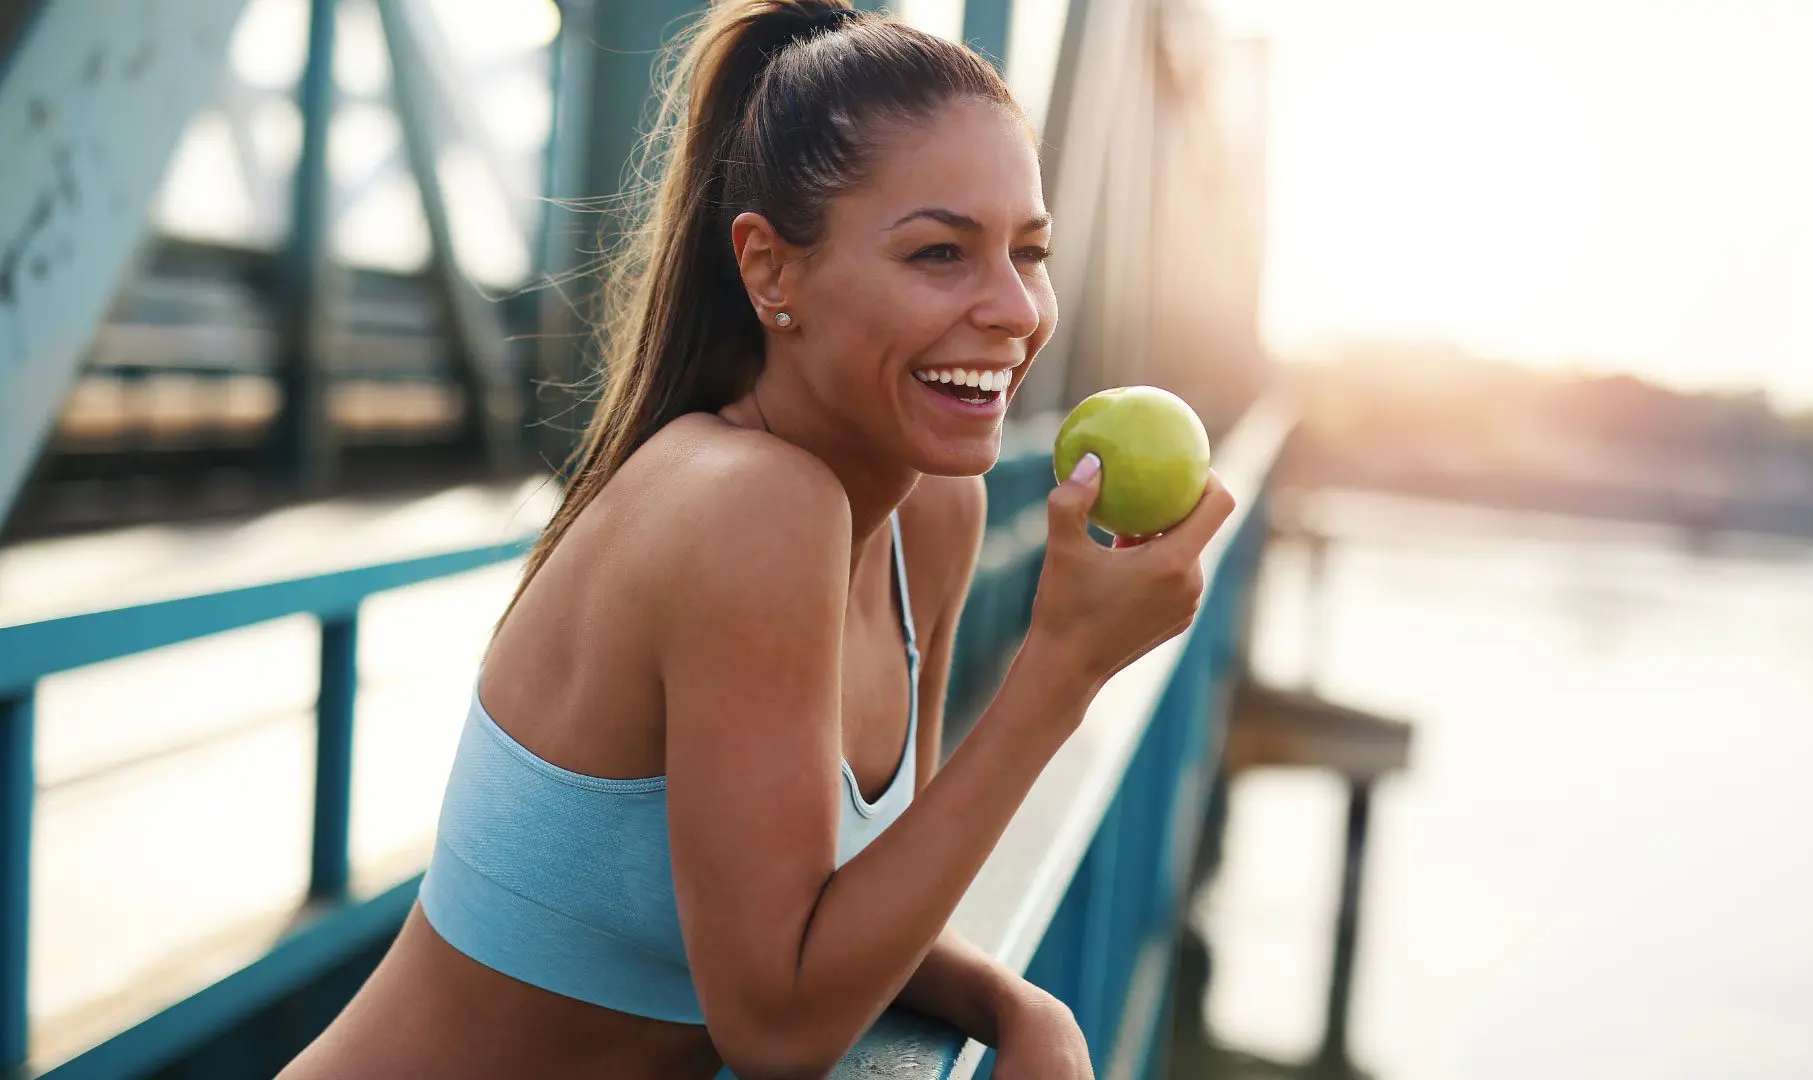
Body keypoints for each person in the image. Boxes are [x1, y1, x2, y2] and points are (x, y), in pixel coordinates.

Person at [280, 1, 1231, 1077]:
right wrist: (1063, 669)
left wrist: (1022, 1009)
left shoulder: (930, 511)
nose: (1014, 309)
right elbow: (778, 1025)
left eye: (1030, 250)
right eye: (939, 253)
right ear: (771, 271)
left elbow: (848, 905)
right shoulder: (749, 507)